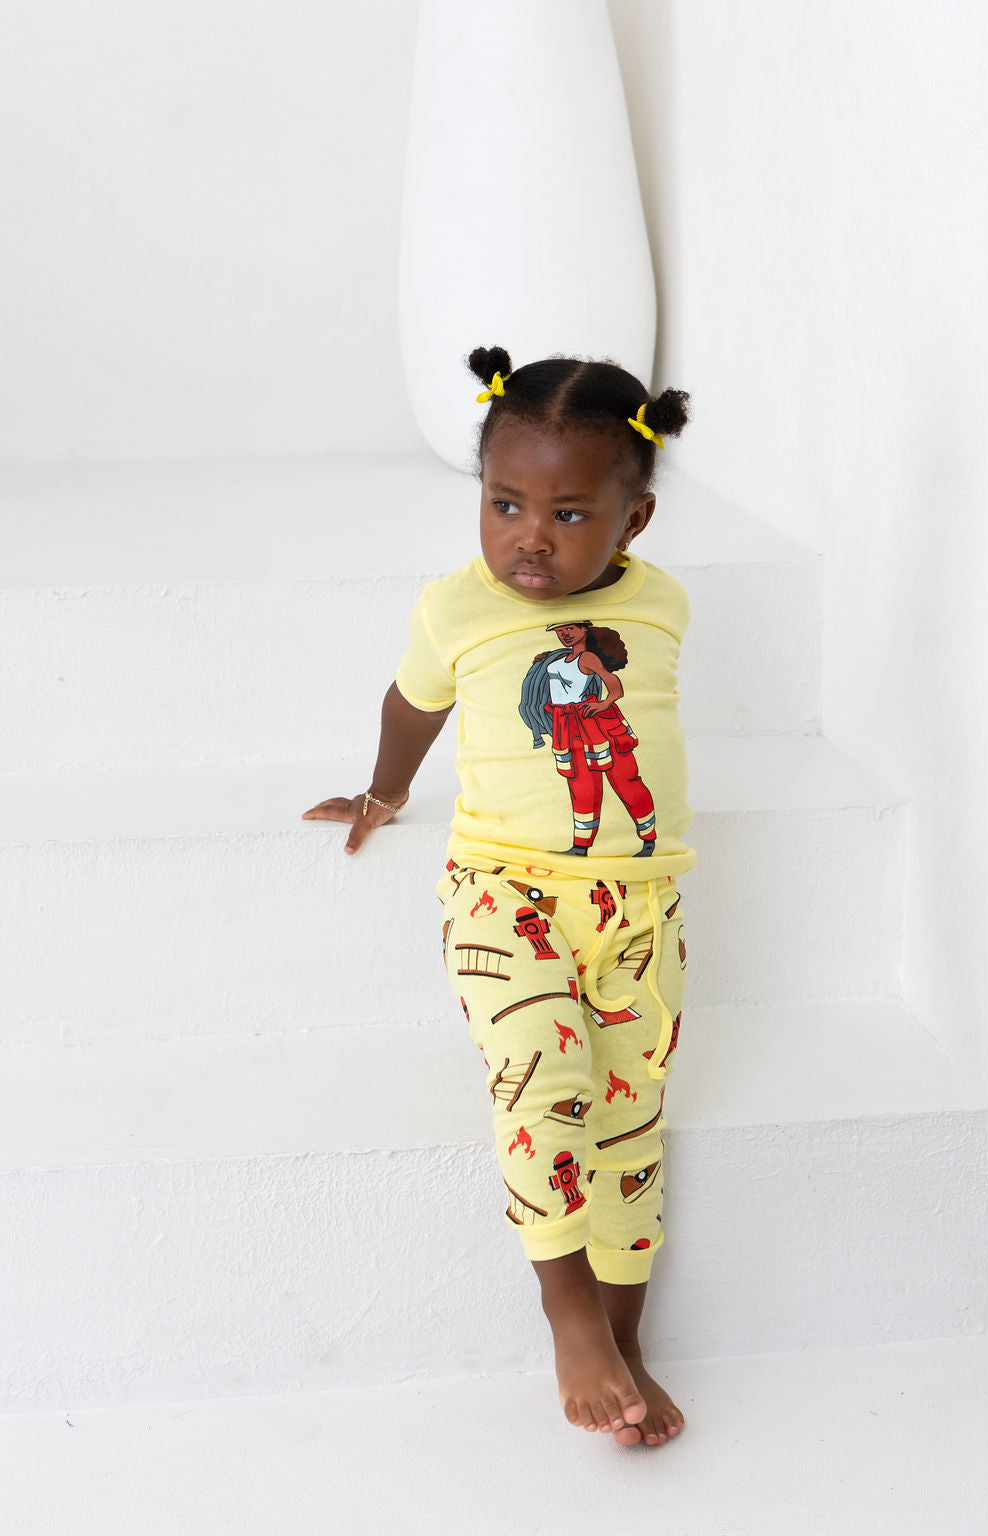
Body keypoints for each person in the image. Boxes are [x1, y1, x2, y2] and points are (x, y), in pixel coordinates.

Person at [302, 346, 696, 1448]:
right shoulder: (457, 609)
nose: (529, 535)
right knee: (546, 1080)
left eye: (569, 512)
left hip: (641, 906)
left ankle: (625, 1339)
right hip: (507, 891)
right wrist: (383, 792)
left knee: (629, 1118)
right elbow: (413, 702)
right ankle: (565, 1303)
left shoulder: (660, 604)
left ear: (636, 520)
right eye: (505, 503)